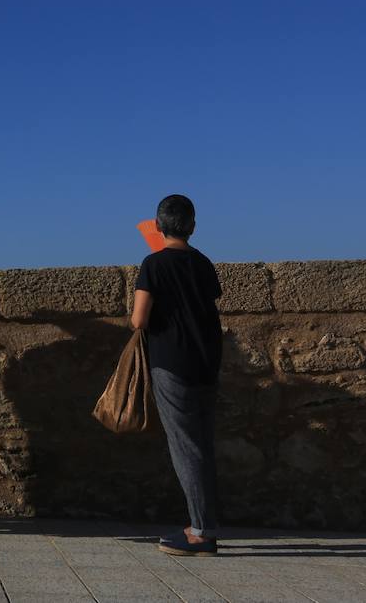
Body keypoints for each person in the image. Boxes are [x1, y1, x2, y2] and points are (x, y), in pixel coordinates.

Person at [131, 194, 223, 556]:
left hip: (172, 362)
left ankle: (200, 532)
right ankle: (205, 523)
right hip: (206, 360)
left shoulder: (152, 264)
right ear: (193, 226)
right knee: (202, 445)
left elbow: (139, 319)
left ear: (157, 227)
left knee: (186, 447)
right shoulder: (203, 263)